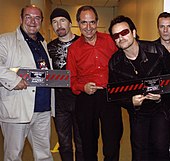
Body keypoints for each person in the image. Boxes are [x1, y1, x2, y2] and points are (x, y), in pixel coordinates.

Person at [108, 15, 170, 161]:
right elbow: (113, 94)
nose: (121, 38)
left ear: (134, 32)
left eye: (124, 32)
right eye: (116, 35)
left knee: (160, 149)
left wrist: (162, 95)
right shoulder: (115, 63)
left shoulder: (157, 51)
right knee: (140, 153)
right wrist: (131, 101)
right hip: (137, 113)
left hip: (160, 109)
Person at [66, 6, 123, 161]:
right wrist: (82, 87)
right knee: (88, 143)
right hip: (86, 98)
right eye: (84, 23)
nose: (89, 27)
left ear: (97, 22)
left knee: (112, 142)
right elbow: (71, 80)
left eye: (92, 22)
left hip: (109, 96)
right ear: (78, 23)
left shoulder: (111, 40)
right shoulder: (73, 49)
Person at [0, 5, 53, 161]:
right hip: (17, 108)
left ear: (41, 21)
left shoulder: (43, 43)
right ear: (21, 19)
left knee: (44, 154)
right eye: (28, 17)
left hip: (43, 110)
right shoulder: (6, 40)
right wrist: (14, 80)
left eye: (37, 18)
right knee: (13, 155)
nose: (32, 21)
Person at [47, 8, 83, 161]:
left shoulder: (82, 43)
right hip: (59, 102)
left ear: (70, 23)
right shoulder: (48, 47)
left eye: (62, 20)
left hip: (81, 100)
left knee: (81, 142)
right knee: (64, 143)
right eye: (54, 22)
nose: (59, 25)